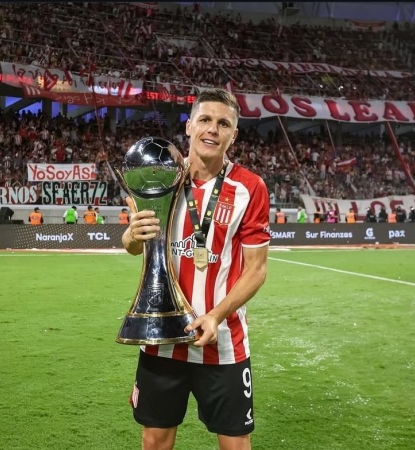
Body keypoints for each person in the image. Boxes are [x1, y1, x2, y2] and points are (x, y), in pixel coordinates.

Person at [122, 88, 270, 450]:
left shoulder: (250, 188)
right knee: (155, 442)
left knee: (235, 444)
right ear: (189, 127)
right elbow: (133, 246)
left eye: (223, 124)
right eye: (205, 119)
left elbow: (256, 269)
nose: (213, 129)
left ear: (234, 135)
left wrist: (216, 315)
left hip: (222, 340)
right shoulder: (159, 177)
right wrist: (132, 234)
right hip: (161, 337)